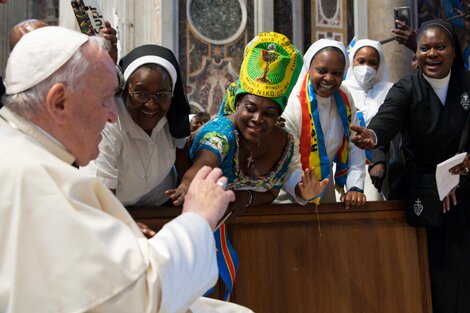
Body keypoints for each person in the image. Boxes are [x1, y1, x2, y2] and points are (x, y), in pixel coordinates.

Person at [0, 25, 252, 313]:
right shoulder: (34, 180)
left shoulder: (24, 153)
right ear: (59, 102)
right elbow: (133, 298)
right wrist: (198, 217)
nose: (112, 115)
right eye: (105, 99)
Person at [168, 32, 328, 300]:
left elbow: (273, 191)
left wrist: (300, 193)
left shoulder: (284, 143)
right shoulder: (221, 132)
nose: (257, 119)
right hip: (192, 239)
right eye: (250, 108)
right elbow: (206, 161)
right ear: (236, 103)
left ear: (278, 116)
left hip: (248, 241)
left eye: (268, 113)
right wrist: (187, 184)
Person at [351, 19, 470, 313]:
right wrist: (373, 135)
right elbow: (388, 118)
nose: (432, 54)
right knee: (428, 269)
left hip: (466, 190)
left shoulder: (467, 85)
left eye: (440, 47)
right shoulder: (406, 89)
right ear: (415, 54)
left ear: (454, 52)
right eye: (425, 48)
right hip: (423, 190)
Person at [82, 45, 191, 209]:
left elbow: (186, 168)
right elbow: (100, 200)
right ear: (125, 90)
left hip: (162, 210)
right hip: (115, 211)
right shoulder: (108, 124)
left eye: (162, 95)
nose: (151, 104)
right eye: (141, 93)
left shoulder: (172, 117)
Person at [282, 39, 366, 208]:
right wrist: (303, 188)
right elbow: (288, 159)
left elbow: (354, 143)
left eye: (336, 73)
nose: (328, 78)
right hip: (289, 187)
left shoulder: (344, 96)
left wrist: (355, 186)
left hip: (324, 182)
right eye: (322, 71)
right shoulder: (293, 101)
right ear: (309, 68)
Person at [342, 39, 394, 200]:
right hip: (343, 164)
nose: (366, 67)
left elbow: (391, 127)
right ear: (352, 62)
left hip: (377, 165)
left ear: (379, 65)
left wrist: (379, 160)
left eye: (372, 63)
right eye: (361, 61)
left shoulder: (390, 89)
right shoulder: (341, 89)